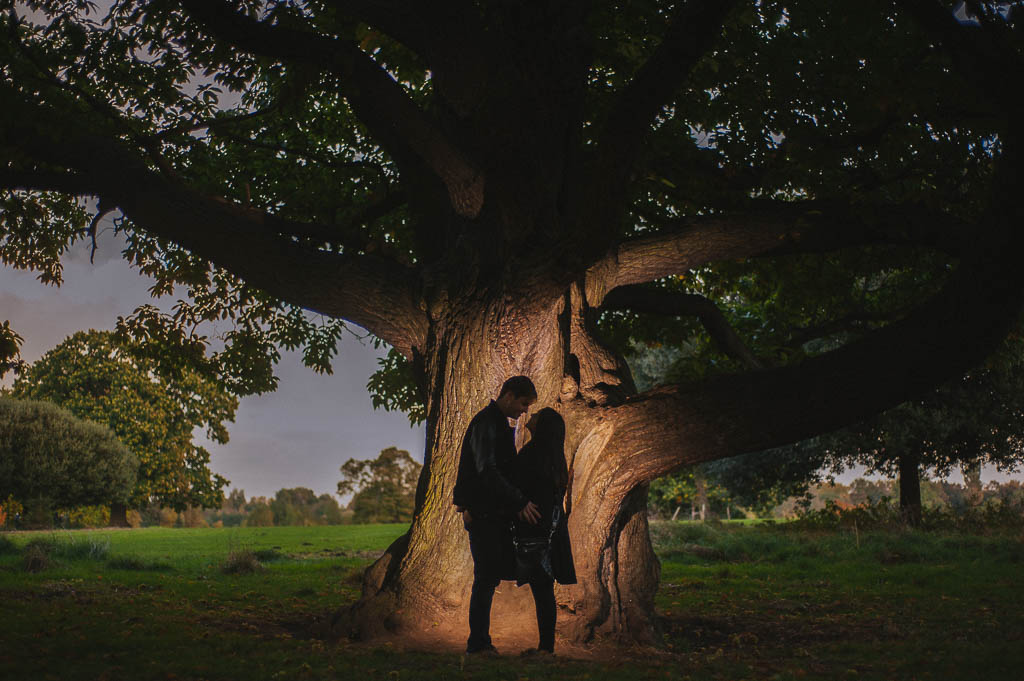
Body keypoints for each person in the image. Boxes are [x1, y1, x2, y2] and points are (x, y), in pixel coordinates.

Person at [453, 375, 542, 655]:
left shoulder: (497, 423)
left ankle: (480, 641)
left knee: (489, 577)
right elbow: (487, 471)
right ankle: (478, 643)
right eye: (523, 403)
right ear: (509, 395)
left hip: (489, 511)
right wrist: (519, 501)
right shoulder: (487, 423)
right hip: (484, 513)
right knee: (485, 577)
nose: (524, 411)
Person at [510, 407, 577, 656]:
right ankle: (546, 646)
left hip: (535, 528)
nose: (531, 416)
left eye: (537, 415)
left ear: (542, 426)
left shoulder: (531, 454)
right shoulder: (555, 458)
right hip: (551, 529)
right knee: (544, 589)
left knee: (541, 589)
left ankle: (545, 648)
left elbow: (517, 486)